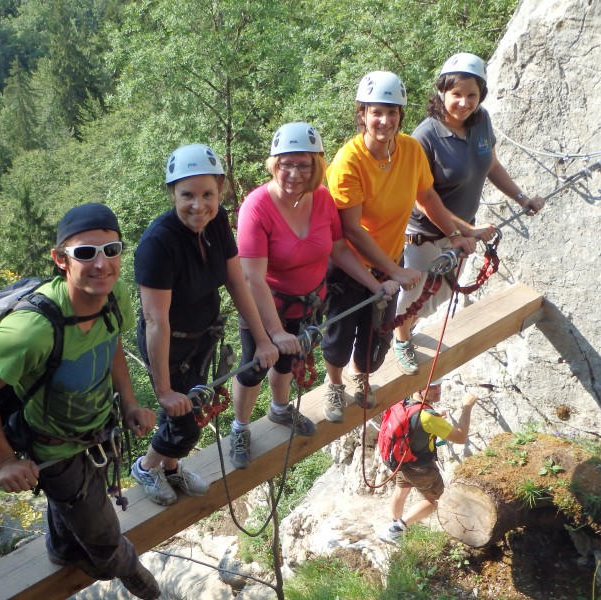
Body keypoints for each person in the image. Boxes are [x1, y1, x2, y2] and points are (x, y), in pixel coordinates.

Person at [0, 203, 160, 599]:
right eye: (85, 253)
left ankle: (62, 548)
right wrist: (5, 460)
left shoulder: (114, 294)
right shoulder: (31, 330)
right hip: (53, 446)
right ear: (61, 259)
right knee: (105, 543)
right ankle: (134, 573)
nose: (101, 264)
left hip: (99, 430)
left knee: (74, 510)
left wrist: (129, 402)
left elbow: (112, 342)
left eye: (112, 250)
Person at [229, 122, 399, 469]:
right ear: (273, 163)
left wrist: (373, 284)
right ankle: (240, 427)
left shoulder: (322, 199)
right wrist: (275, 332)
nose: (293, 173)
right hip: (266, 305)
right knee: (253, 368)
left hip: (308, 302)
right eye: (285, 163)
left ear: (316, 166)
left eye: (303, 164)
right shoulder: (256, 207)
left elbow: (338, 248)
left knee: (289, 361)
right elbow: (252, 277)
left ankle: (279, 410)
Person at [132, 143, 278, 503]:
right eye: (187, 196)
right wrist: (164, 390)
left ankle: (169, 468)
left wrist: (262, 339)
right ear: (172, 194)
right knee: (185, 424)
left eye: (207, 194)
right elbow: (155, 320)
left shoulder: (216, 225)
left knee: (191, 413)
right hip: (167, 342)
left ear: (220, 191)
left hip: (201, 338)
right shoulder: (158, 244)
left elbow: (236, 282)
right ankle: (147, 467)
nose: (199, 205)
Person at [323, 70, 476, 407]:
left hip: (390, 261)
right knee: (340, 336)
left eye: (392, 112)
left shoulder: (408, 149)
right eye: (377, 112)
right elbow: (350, 229)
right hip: (350, 265)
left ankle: (361, 378)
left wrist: (455, 234)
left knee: (376, 339)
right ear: (362, 114)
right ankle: (335, 386)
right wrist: (392, 272)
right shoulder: (349, 161)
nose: (385, 120)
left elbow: (428, 197)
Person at [393, 53, 547, 375]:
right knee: (415, 297)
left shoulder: (481, 121)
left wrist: (521, 198)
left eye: (472, 95)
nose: (464, 102)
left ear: (481, 96)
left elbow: (490, 165)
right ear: (441, 93)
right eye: (456, 94)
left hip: (461, 235)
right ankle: (401, 339)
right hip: (425, 234)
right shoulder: (426, 137)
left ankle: (402, 326)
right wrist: (464, 231)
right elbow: (424, 199)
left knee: (440, 296)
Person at [379, 380, 477, 544]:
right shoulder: (427, 416)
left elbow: (414, 423)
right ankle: (395, 531)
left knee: (401, 491)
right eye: (431, 387)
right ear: (418, 388)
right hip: (419, 466)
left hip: (401, 460)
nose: (438, 390)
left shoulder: (405, 401)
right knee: (435, 501)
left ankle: (395, 523)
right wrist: (466, 407)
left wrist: (435, 415)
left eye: (439, 385)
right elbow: (460, 437)